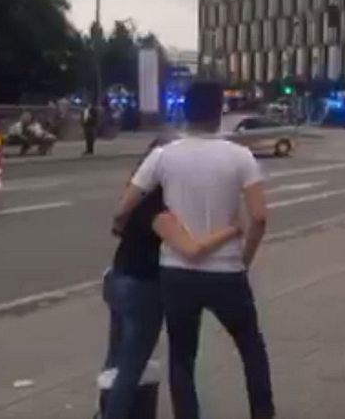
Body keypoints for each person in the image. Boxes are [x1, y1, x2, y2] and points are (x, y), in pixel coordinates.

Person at [113, 99, 275, 419]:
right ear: (219, 115)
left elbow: (124, 207)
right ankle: (262, 412)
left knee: (182, 357)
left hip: (177, 274)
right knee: (251, 348)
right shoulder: (240, 156)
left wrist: (121, 224)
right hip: (227, 271)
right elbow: (258, 218)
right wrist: (245, 258)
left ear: (185, 115)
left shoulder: (163, 155)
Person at [102, 138, 243, 419]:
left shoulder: (138, 197)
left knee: (117, 362)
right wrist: (232, 231)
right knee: (132, 366)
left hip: (118, 280)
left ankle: (107, 409)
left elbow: (117, 224)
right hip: (143, 288)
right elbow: (192, 250)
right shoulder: (160, 208)